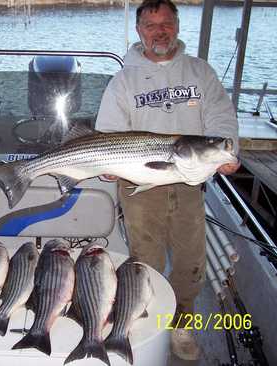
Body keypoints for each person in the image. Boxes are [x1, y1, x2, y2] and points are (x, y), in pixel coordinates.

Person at [95, 0, 240, 360]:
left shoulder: (199, 72)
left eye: (166, 24)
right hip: (139, 188)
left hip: (190, 183)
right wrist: (107, 165)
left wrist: (227, 151)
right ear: (139, 31)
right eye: (150, 25)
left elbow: (221, 118)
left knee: (192, 261)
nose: (160, 32)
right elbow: (108, 132)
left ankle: (181, 322)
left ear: (177, 25)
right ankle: (146, 317)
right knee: (148, 260)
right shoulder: (123, 81)